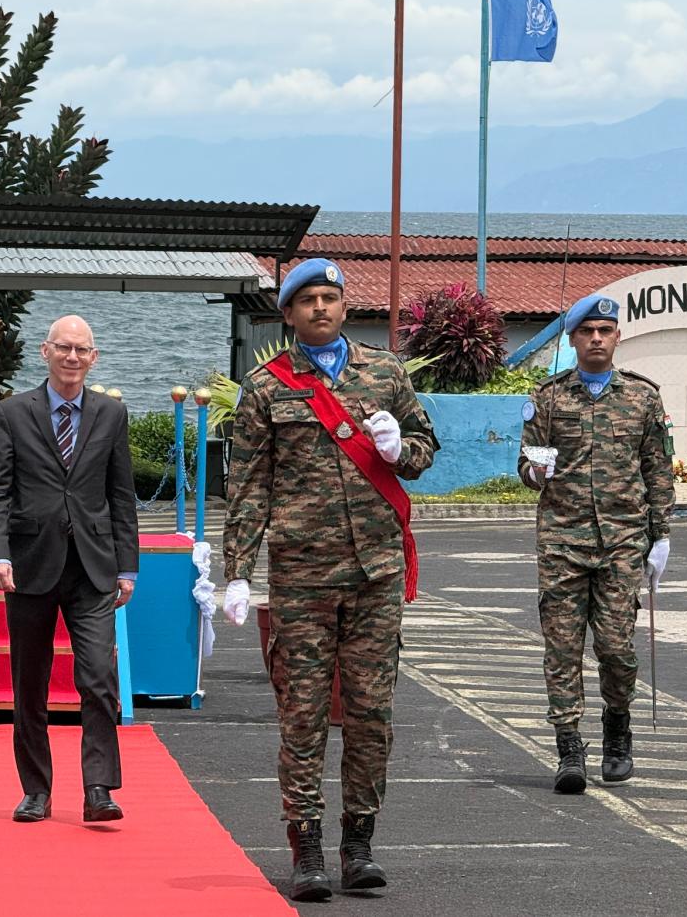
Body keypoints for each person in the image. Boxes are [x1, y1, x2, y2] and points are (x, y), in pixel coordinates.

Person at [222, 257, 438, 902]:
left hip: (376, 573)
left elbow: (424, 450)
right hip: (303, 577)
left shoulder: (386, 373)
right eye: (307, 299)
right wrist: (237, 572)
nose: (320, 307)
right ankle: (307, 846)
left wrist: (400, 448)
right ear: (288, 314)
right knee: (303, 715)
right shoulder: (266, 388)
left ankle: (359, 842)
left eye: (330, 297)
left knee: (371, 713)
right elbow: (248, 487)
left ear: (345, 307)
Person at [0, 315, 138, 827]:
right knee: (30, 683)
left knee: (98, 677)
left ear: (94, 358)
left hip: (93, 567)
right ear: (45, 352)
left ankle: (98, 788)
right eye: (64, 348)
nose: (72, 357)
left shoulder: (111, 413)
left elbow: (121, 495)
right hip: (28, 566)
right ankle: (35, 790)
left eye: (81, 350)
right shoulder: (11, 412)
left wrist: (128, 566)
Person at [517, 294, 674, 795]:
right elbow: (527, 467)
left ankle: (617, 727)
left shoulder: (643, 398)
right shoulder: (549, 398)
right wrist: (536, 470)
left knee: (615, 647)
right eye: (587, 331)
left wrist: (661, 537)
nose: (597, 339)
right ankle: (568, 747)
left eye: (605, 330)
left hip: (622, 541)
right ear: (573, 339)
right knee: (562, 648)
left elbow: (657, 469)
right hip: (562, 541)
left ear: (618, 336)